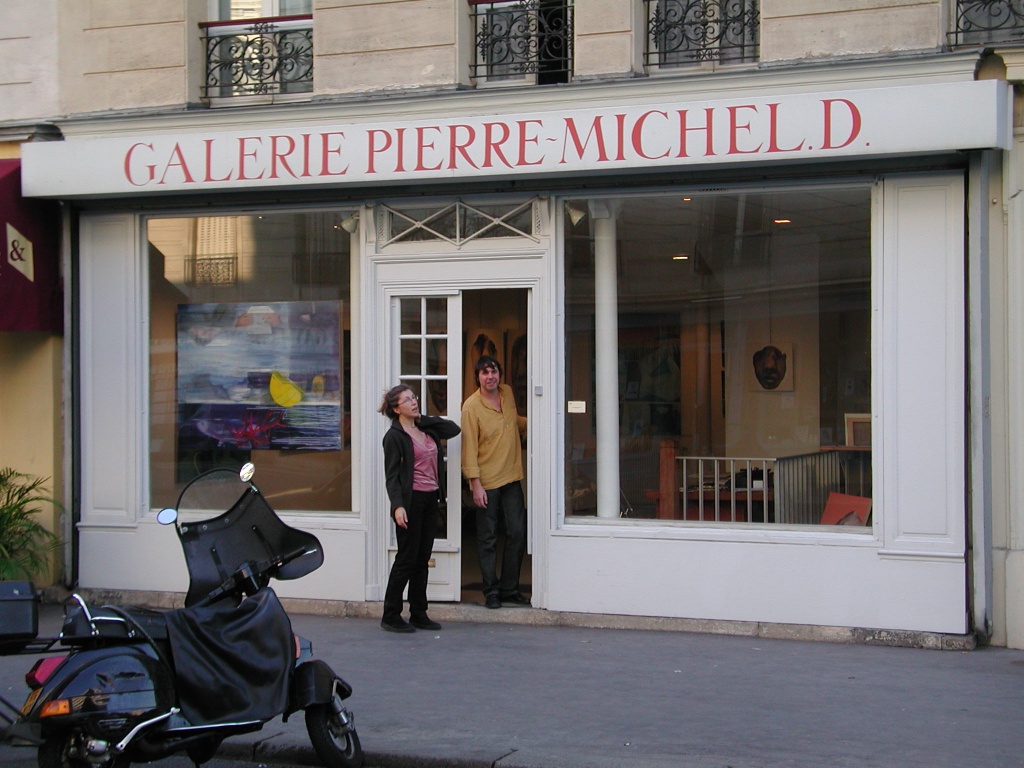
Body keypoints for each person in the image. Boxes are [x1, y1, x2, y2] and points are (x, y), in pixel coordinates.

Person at [379, 385, 460, 633]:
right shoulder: (394, 437)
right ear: (396, 409)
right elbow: (392, 476)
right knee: (406, 559)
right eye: (407, 400)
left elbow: (453, 429)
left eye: (414, 398)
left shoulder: (426, 429)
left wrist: (422, 419)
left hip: (430, 499)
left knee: (422, 559)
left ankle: (418, 613)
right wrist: (398, 506)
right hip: (410, 501)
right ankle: (390, 615)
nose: (414, 402)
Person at [461, 355, 529, 609]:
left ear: (499, 374)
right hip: (487, 482)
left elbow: (513, 422)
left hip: (511, 476)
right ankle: (491, 591)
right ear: (477, 377)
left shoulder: (507, 393)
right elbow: (469, 448)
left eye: (494, 371)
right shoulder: (471, 407)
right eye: (485, 373)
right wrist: (475, 484)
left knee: (517, 532)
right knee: (487, 538)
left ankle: (510, 588)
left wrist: (540, 422)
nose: (490, 376)